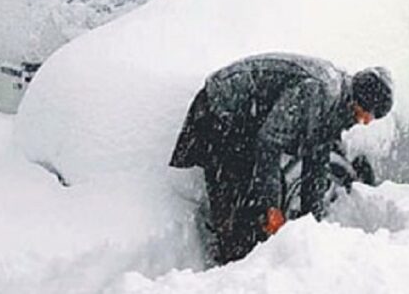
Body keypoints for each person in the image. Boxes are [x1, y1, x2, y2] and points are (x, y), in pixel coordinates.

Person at [168, 53, 393, 264]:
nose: (365, 122)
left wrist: (311, 225)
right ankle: (230, 269)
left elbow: (316, 162)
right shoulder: (317, 91)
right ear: (359, 99)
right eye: (368, 113)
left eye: (371, 118)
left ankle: (242, 254)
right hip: (221, 111)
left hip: (248, 123)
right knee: (240, 200)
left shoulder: (338, 106)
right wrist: (271, 207)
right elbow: (269, 144)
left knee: (254, 203)